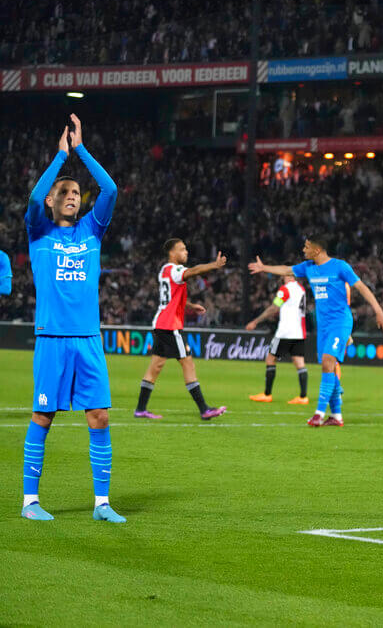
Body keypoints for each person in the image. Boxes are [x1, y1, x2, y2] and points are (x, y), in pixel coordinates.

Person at [21, 115, 125, 522]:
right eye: (63, 190)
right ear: (51, 198)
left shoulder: (91, 232)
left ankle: (102, 504)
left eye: (77, 191)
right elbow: (31, 200)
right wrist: (59, 157)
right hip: (53, 339)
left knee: (99, 416)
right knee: (43, 416)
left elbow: (111, 189)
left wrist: (80, 151)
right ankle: (30, 501)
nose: (71, 195)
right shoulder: (39, 232)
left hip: (89, 339)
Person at [248, 235, 383, 427]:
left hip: (340, 322)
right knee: (328, 367)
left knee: (327, 362)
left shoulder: (340, 267)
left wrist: (379, 312)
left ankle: (319, 413)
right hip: (322, 325)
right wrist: (264, 268)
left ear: (317, 250)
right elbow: (287, 269)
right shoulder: (308, 267)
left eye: (306, 247)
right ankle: (337, 416)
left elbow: (362, 288)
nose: (303, 250)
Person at [134, 239, 227, 421]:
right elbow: (193, 271)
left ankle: (140, 409)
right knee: (188, 363)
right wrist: (214, 266)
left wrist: (190, 306)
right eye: (182, 249)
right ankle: (204, 409)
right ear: (172, 253)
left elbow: (171, 299)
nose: (186, 252)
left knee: (156, 367)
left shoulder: (164, 270)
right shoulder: (176, 270)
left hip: (160, 324)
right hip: (170, 326)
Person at [247, 274, 310, 405]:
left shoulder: (285, 289)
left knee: (270, 359)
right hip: (299, 331)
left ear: (287, 275)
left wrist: (256, 321)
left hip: (285, 332)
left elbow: (274, 307)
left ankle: (267, 394)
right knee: (299, 362)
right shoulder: (301, 289)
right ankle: (303, 397)